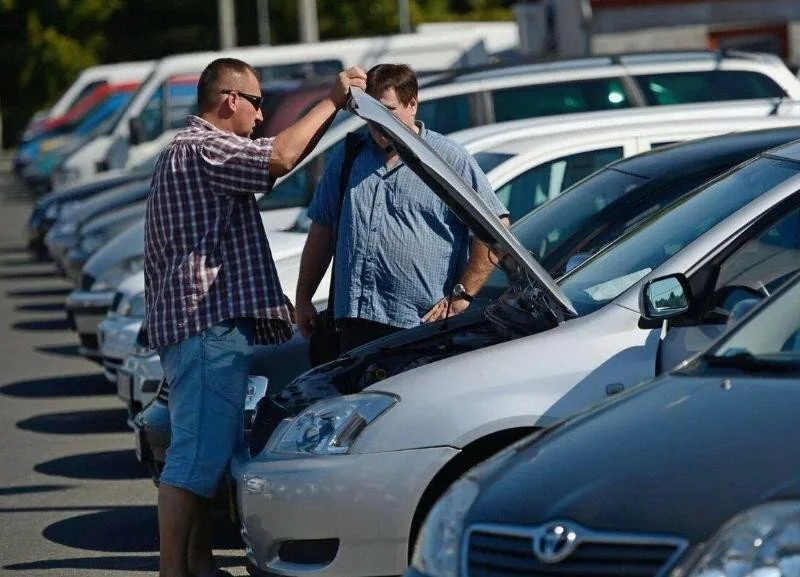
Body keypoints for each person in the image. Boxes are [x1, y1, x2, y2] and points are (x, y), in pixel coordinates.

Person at [143, 57, 366, 577]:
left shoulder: (190, 150)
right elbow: (281, 156)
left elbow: (226, 235)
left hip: (204, 327)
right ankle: (174, 570)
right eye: (257, 103)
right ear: (230, 100)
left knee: (207, 455)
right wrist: (332, 101)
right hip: (206, 328)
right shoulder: (204, 147)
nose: (261, 116)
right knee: (195, 458)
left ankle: (198, 565)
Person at [295, 63, 509, 353]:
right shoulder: (349, 155)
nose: (377, 121)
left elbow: (496, 230)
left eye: (387, 110)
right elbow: (323, 228)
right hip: (355, 325)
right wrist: (304, 297)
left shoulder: (447, 160)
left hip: (420, 328)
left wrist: (462, 296)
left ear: (412, 105)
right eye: (369, 111)